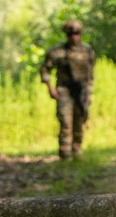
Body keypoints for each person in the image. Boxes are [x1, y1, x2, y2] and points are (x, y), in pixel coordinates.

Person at [39, 19, 96, 160]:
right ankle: (65, 153)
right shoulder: (58, 52)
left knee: (79, 120)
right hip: (64, 90)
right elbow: (45, 69)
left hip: (81, 91)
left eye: (76, 34)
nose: (73, 37)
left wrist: (89, 92)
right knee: (65, 121)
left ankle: (77, 151)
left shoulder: (87, 50)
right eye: (70, 34)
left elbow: (90, 74)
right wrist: (50, 88)